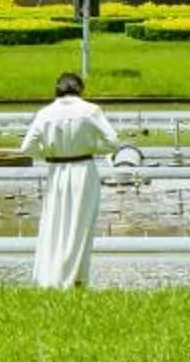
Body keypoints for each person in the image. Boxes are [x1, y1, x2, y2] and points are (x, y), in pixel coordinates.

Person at [19, 71, 119, 289]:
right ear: (80, 89)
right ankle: (75, 278)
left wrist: (48, 151)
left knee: (55, 222)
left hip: (56, 170)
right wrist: (92, 147)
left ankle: (51, 276)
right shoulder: (90, 110)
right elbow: (113, 142)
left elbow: (27, 148)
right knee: (80, 225)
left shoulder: (45, 112)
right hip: (83, 170)